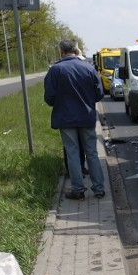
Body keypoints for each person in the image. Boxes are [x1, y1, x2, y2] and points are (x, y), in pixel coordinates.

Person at [44, 39, 105, 199]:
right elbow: (99, 94)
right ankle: (99, 189)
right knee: (92, 152)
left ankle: (78, 190)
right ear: (76, 51)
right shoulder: (89, 68)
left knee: (72, 152)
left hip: (66, 118)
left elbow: (49, 98)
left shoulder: (55, 70)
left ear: (61, 51)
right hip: (87, 117)